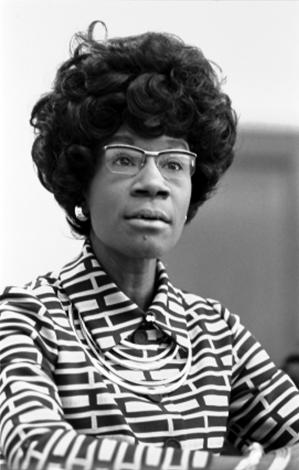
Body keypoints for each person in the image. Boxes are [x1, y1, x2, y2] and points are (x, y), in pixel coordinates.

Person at [0, 20, 299, 470]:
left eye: (175, 163)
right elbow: (35, 451)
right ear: (82, 181)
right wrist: (243, 467)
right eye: (125, 158)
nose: (154, 184)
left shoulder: (215, 333)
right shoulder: (28, 317)